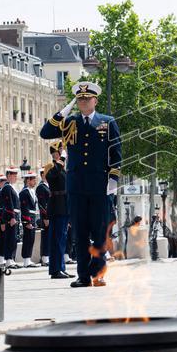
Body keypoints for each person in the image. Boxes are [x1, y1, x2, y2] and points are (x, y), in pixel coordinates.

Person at [39, 81, 122, 288]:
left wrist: (113, 180)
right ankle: (83, 276)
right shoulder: (70, 122)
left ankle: (98, 273)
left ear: (95, 100)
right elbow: (45, 132)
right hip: (76, 187)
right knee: (80, 232)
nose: (84, 102)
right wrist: (64, 110)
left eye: (87, 99)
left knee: (100, 232)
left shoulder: (107, 122)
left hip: (99, 186)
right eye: (80, 99)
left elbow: (116, 153)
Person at [43, 141, 71, 279]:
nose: (63, 152)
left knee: (62, 238)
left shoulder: (63, 168)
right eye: (61, 150)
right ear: (55, 153)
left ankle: (61, 267)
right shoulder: (52, 166)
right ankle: (55, 269)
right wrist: (62, 160)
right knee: (57, 239)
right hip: (56, 206)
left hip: (64, 206)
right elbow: (50, 177)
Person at [0, 168, 20, 268]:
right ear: (9, 175)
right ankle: (8, 259)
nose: (15, 177)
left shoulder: (11, 187)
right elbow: (8, 203)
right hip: (10, 216)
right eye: (14, 175)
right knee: (10, 238)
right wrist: (12, 217)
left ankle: (11, 258)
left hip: (14, 215)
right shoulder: (7, 188)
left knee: (13, 238)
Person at [19, 172, 40, 267]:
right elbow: (24, 207)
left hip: (32, 216)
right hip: (27, 217)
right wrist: (27, 221)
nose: (35, 181)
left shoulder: (32, 191)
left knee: (31, 238)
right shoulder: (24, 192)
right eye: (33, 180)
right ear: (28, 180)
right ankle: (26, 260)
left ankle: (28, 258)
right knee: (27, 238)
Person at [35, 168, 50, 267]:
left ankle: (47, 256)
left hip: (50, 215)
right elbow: (42, 204)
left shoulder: (47, 186)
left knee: (49, 237)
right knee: (46, 237)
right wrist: (45, 217)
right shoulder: (41, 187)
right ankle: (44, 257)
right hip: (46, 217)